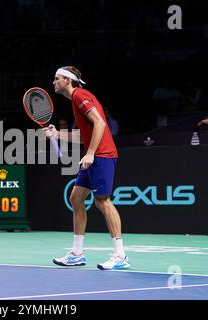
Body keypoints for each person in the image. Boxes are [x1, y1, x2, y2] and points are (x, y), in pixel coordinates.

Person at [43, 66, 130, 270]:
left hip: (102, 155)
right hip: (93, 154)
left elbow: (100, 124)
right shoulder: (76, 101)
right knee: (75, 198)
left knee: (103, 202)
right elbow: (83, 136)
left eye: (57, 78)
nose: (53, 82)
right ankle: (77, 253)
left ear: (68, 80)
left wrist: (90, 153)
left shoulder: (80, 95)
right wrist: (58, 135)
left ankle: (120, 256)